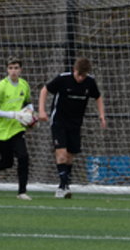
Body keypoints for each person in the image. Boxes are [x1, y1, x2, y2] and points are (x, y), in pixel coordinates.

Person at [39, 57, 106, 198]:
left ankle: (64, 185)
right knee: (61, 154)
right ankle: (63, 187)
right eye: (79, 74)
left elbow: (98, 97)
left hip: (75, 124)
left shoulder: (90, 82)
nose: (81, 78)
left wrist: (101, 115)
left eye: (84, 75)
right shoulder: (63, 79)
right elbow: (44, 90)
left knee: (70, 156)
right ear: (74, 70)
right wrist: (41, 111)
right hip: (59, 121)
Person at [0, 57, 34, 200]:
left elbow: (28, 103)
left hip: (16, 129)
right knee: (8, 162)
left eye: (16, 68)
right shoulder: (0, 87)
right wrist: (13, 114)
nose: (13, 71)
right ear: (7, 70)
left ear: (21, 70)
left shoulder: (24, 85)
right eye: (10, 68)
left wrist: (30, 113)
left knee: (23, 157)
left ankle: (22, 192)